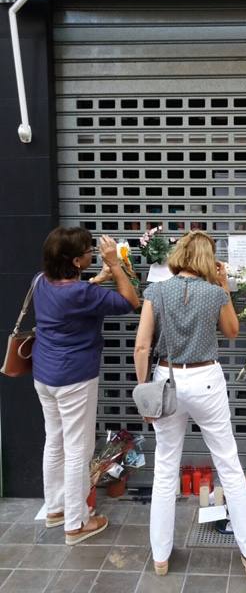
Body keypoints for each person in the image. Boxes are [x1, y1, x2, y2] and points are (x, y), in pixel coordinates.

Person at [134, 230, 246, 581]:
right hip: (206, 380)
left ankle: (161, 556)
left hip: (166, 379)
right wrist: (223, 285)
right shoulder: (214, 293)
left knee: (165, 467)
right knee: (229, 466)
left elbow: (142, 347)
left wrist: (144, 388)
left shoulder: (156, 291)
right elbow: (233, 332)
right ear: (208, 259)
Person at [32, 227, 140, 545]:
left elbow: (74, 298)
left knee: (55, 441)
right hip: (74, 378)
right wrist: (116, 267)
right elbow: (130, 301)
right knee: (79, 448)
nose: (94, 253)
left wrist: (98, 279)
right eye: (89, 251)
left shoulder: (40, 281)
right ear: (77, 261)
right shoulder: (81, 294)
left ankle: (55, 509)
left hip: (45, 375)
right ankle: (76, 523)